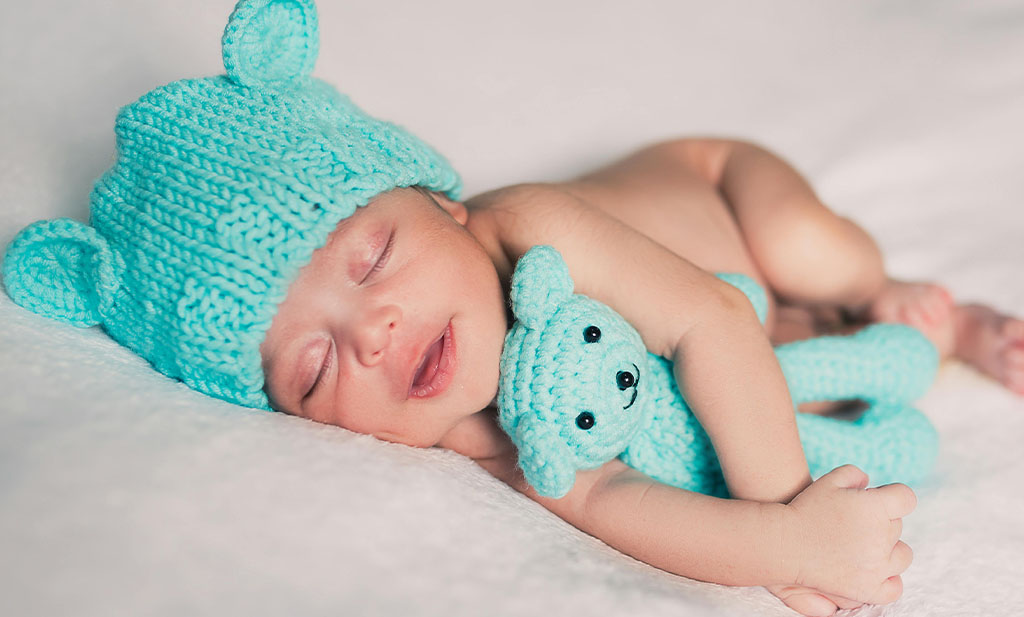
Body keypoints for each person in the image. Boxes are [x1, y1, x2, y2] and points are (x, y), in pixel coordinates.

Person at [3, 2, 1022, 616]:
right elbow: (607, 499)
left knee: (819, 255)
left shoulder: (533, 225)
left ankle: (926, 310)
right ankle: (864, 329)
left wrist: (790, 508)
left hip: (721, 194)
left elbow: (707, 319)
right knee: (811, 358)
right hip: (743, 331)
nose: (375, 333)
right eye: (312, 369)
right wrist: (783, 558)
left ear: (444, 202)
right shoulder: (460, 424)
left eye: (372, 253)